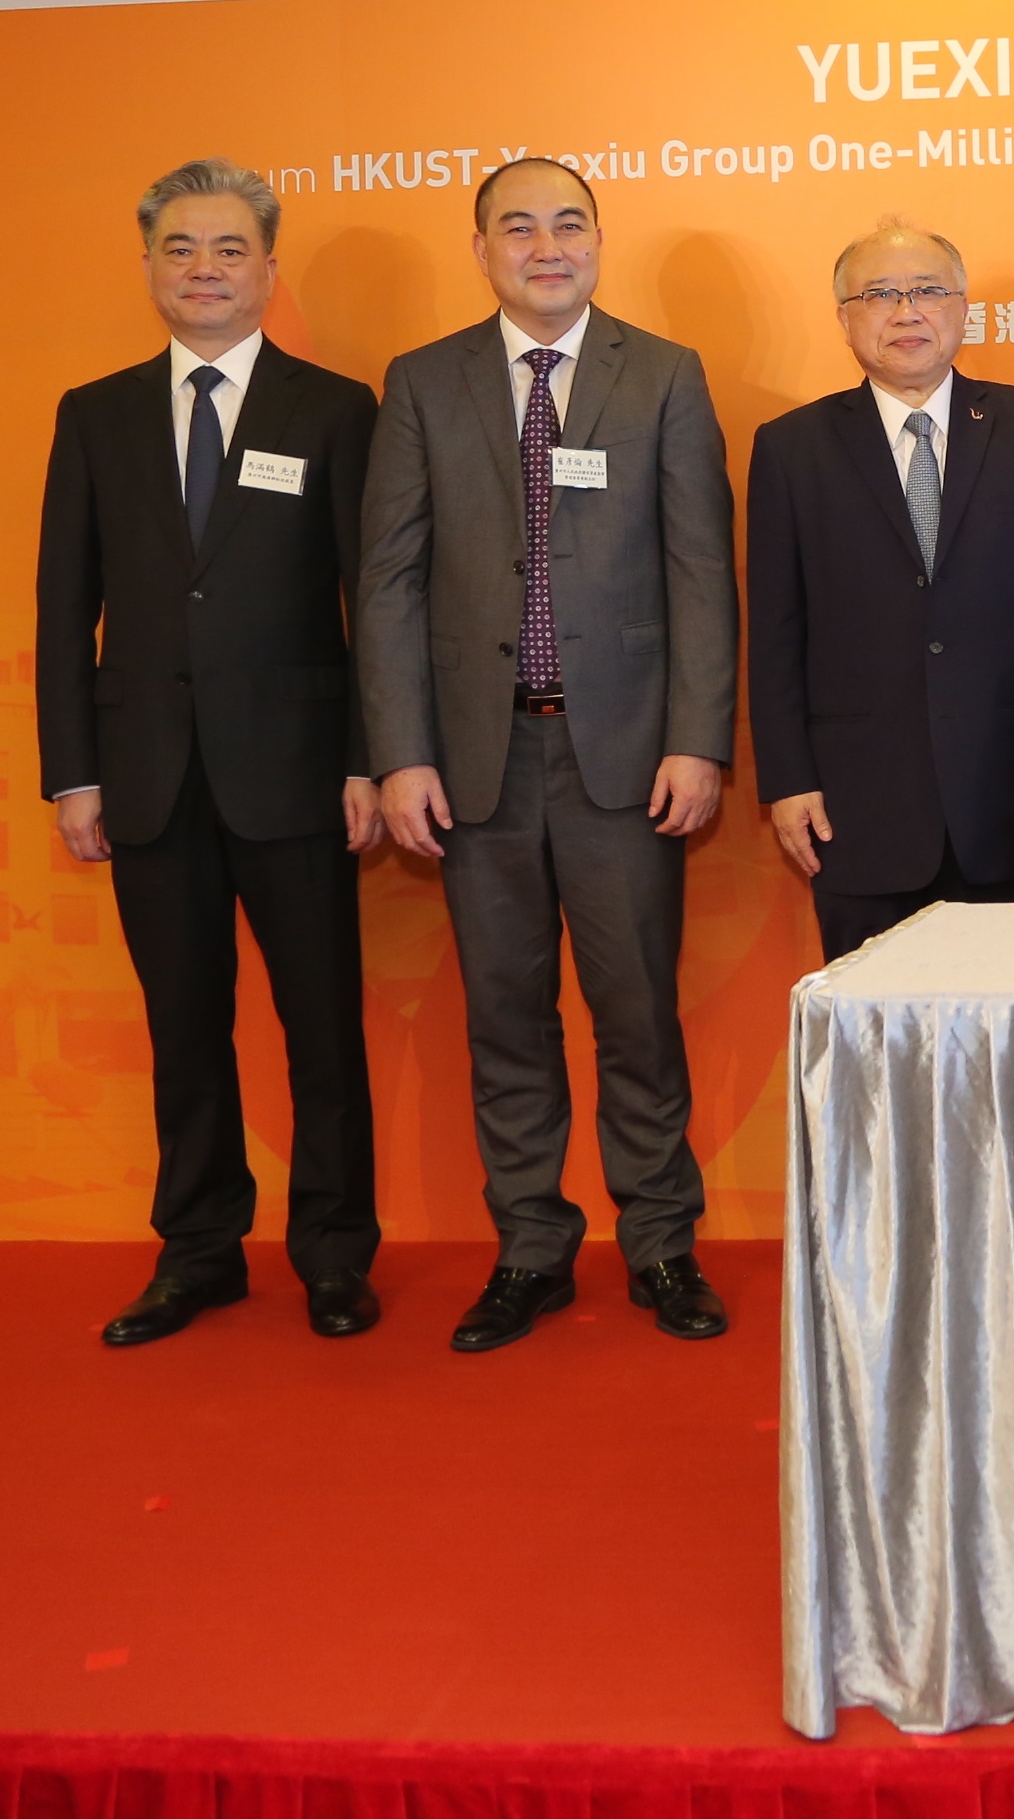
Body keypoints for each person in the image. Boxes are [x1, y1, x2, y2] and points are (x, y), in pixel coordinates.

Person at [356, 157, 739, 1351]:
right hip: (477, 763)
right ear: (481, 250)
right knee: (505, 1018)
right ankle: (529, 1247)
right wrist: (401, 753)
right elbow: (388, 580)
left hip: (621, 755)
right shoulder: (423, 383)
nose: (545, 246)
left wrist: (697, 740)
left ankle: (661, 1241)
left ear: (598, 240)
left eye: (568, 223)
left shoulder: (664, 374)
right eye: (517, 227)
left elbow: (700, 571)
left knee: (637, 1014)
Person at [34, 160, 384, 1346]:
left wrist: (367, 760)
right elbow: (63, 607)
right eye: (180, 248)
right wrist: (74, 773)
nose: (204, 270)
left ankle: (333, 1253)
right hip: (145, 775)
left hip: (297, 773)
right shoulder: (95, 413)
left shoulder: (333, 409)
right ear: (147, 266)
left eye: (229, 249)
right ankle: (197, 1252)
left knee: (321, 1029)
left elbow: (370, 599)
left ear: (267, 270)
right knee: (183, 1030)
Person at [748, 220, 1014, 959]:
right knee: (868, 1018)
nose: (906, 311)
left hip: (1000, 792)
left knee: (1000, 1014)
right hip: (852, 804)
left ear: (962, 308)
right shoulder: (790, 447)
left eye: (927, 291)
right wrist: (786, 779)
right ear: (844, 317)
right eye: (879, 294)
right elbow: (776, 629)